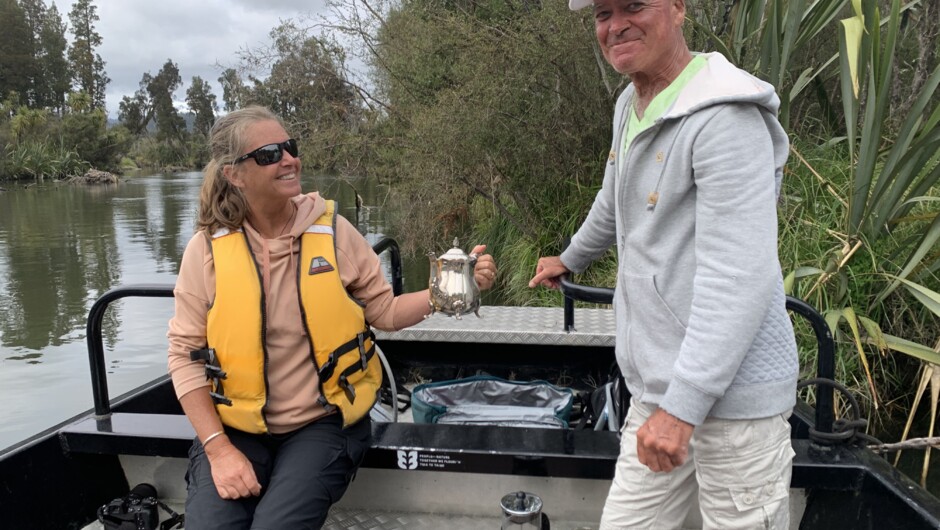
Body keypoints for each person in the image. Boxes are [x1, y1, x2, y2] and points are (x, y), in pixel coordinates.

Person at [528, 0, 799, 528]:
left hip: (735, 404)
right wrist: (570, 257)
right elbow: (615, 200)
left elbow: (739, 276)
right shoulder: (630, 105)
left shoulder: (726, 116)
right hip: (658, 390)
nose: (616, 25)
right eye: (603, 13)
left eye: (634, 5)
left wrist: (684, 408)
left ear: (677, 8)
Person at [167, 105, 497, 529]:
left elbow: (385, 311)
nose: (289, 159)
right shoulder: (206, 250)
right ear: (234, 174)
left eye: (290, 147)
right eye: (269, 154)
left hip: (322, 423)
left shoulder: (334, 231)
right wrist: (218, 449)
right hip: (237, 430)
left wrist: (453, 287)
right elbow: (183, 358)